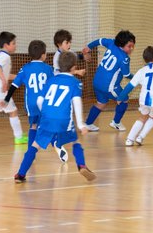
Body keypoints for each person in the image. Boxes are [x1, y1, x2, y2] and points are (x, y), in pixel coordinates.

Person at [14, 51, 95, 183]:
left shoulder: (50, 80)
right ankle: (81, 165)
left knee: (34, 146)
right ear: (74, 67)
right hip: (64, 120)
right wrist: (81, 124)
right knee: (76, 141)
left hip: (46, 119)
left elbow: (40, 100)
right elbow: (77, 103)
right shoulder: (74, 83)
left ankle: (20, 174)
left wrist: (44, 114)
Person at [2, 40, 67, 162]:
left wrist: (6, 100)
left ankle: (30, 153)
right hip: (45, 103)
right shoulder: (48, 68)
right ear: (43, 55)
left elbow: (14, 86)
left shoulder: (25, 69)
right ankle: (56, 145)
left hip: (31, 104)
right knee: (48, 126)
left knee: (34, 126)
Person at [81, 30, 136, 131]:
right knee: (124, 99)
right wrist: (137, 78)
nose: (131, 49)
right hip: (109, 86)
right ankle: (116, 122)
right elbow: (126, 74)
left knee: (101, 103)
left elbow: (99, 40)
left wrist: (88, 47)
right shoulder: (125, 58)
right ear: (122, 44)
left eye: (133, 46)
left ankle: (88, 123)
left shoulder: (111, 42)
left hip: (97, 82)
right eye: (129, 46)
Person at [116, 46, 153, 146]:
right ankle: (140, 137)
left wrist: (121, 97)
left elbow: (130, 86)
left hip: (143, 100)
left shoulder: (141, 71)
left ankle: (129, 139)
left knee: (142, 117)